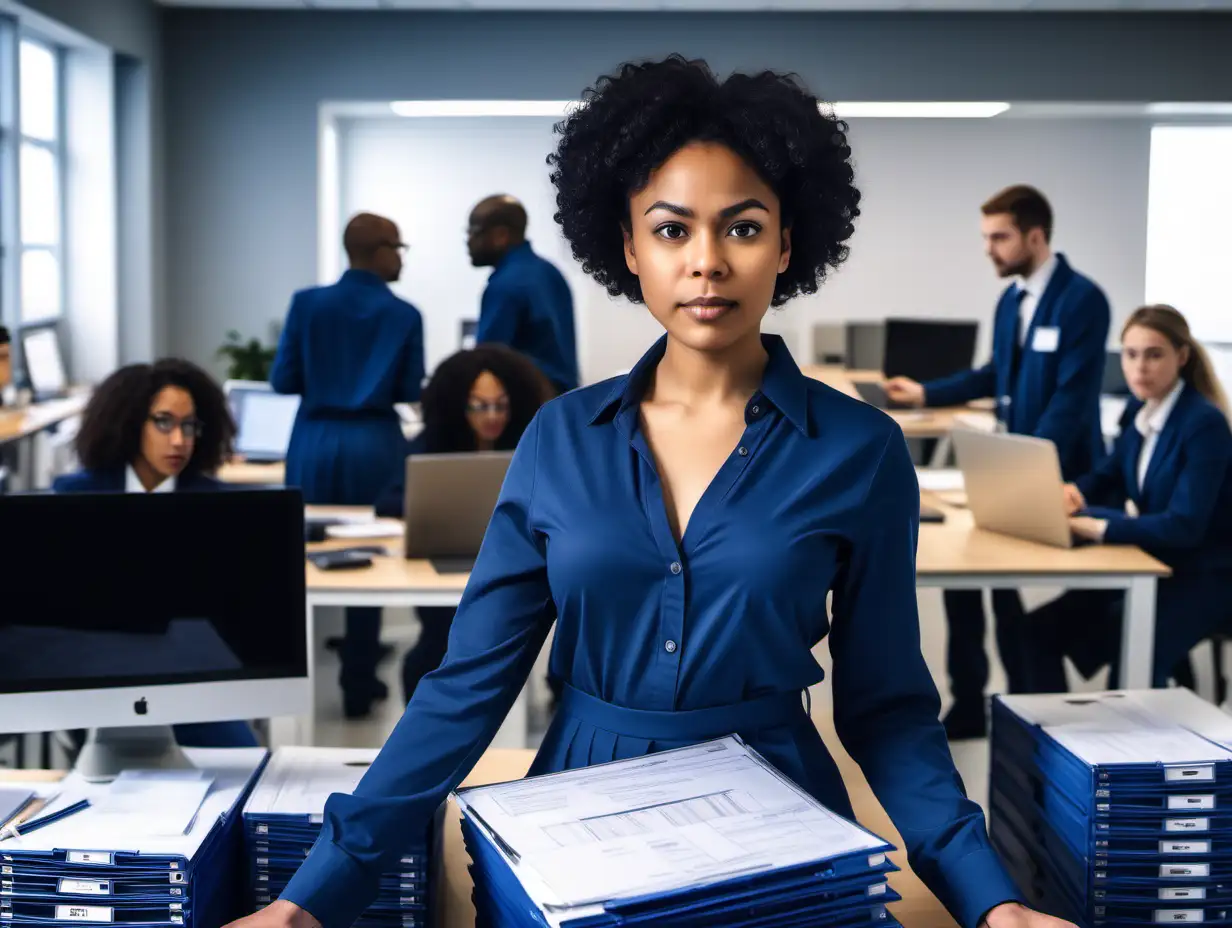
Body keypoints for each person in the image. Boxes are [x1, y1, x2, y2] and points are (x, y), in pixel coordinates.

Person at [227, 57, 1068, 928]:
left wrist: (990, 900)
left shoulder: (860, 450)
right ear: (628, 247)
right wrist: (311, 899)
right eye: (672, 231)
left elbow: (889, 709)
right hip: (575, 819)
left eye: (742, 229)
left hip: (783, 826)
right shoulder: (558, 438)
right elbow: (465, 685)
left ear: (787, 244)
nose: (706, 262)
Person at [884, 185, 1111, 740]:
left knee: (1013, 593)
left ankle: (1025, 708)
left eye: (1000, 237)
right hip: (1015, 466)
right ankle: (970, 700)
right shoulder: (1011, 300)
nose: (989, 249)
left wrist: (1026, 465)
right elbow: (992, 376)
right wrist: (925, 394)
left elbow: (1072, 402)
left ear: (1035, 235)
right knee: (972, 578)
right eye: (986, 237)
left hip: (1065, 475)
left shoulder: (1082, 300)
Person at [1023, 305, 1232, 691]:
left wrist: (1097, 525)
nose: (1139, 368)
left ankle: (1129, 747)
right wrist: (1074, 492)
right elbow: (1109, 473)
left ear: (1182, 357)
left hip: (1205, 576)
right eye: (1131, 354)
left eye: (1154, 355)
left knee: (1132, 651)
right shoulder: (1140, 410)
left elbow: (1183, 526)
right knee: (1036, 632)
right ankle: (1050, 747)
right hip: (1152, 561)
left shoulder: (1203, 423)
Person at [51, 358, 257, 749]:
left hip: (193, 676)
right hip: (99, 675)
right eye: (164, 422)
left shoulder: (217, 504)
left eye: (189, 425)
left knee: (244, 762)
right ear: (130, 423)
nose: (179, 440)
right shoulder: (76, 495)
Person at [271, 212, 426, 720]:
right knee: (373, 553)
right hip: (374, 441)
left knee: (296, 552)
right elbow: (407, 391)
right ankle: (358, 683)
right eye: (398, 247)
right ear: (377, 250)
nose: (401, 257)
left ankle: (290, 683)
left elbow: (282, 380)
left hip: (313, 438)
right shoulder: (404, 315)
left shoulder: (306, 304)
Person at [373, 344, 553, 705]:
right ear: (457, 404)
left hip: (517, 561)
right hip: (442, 563)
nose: (492, 416)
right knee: (437, 642)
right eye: (479, 405)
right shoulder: (431, 443)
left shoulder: (532, 443)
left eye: (501, 405)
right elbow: (388, 500)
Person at [467, 194, 579, 394]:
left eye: (474, 232)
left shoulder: (505, 285)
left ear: (500, 235)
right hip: (558, 401)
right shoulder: (550, 273)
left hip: (525, 404)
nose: (469, 241)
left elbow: (487, 359)